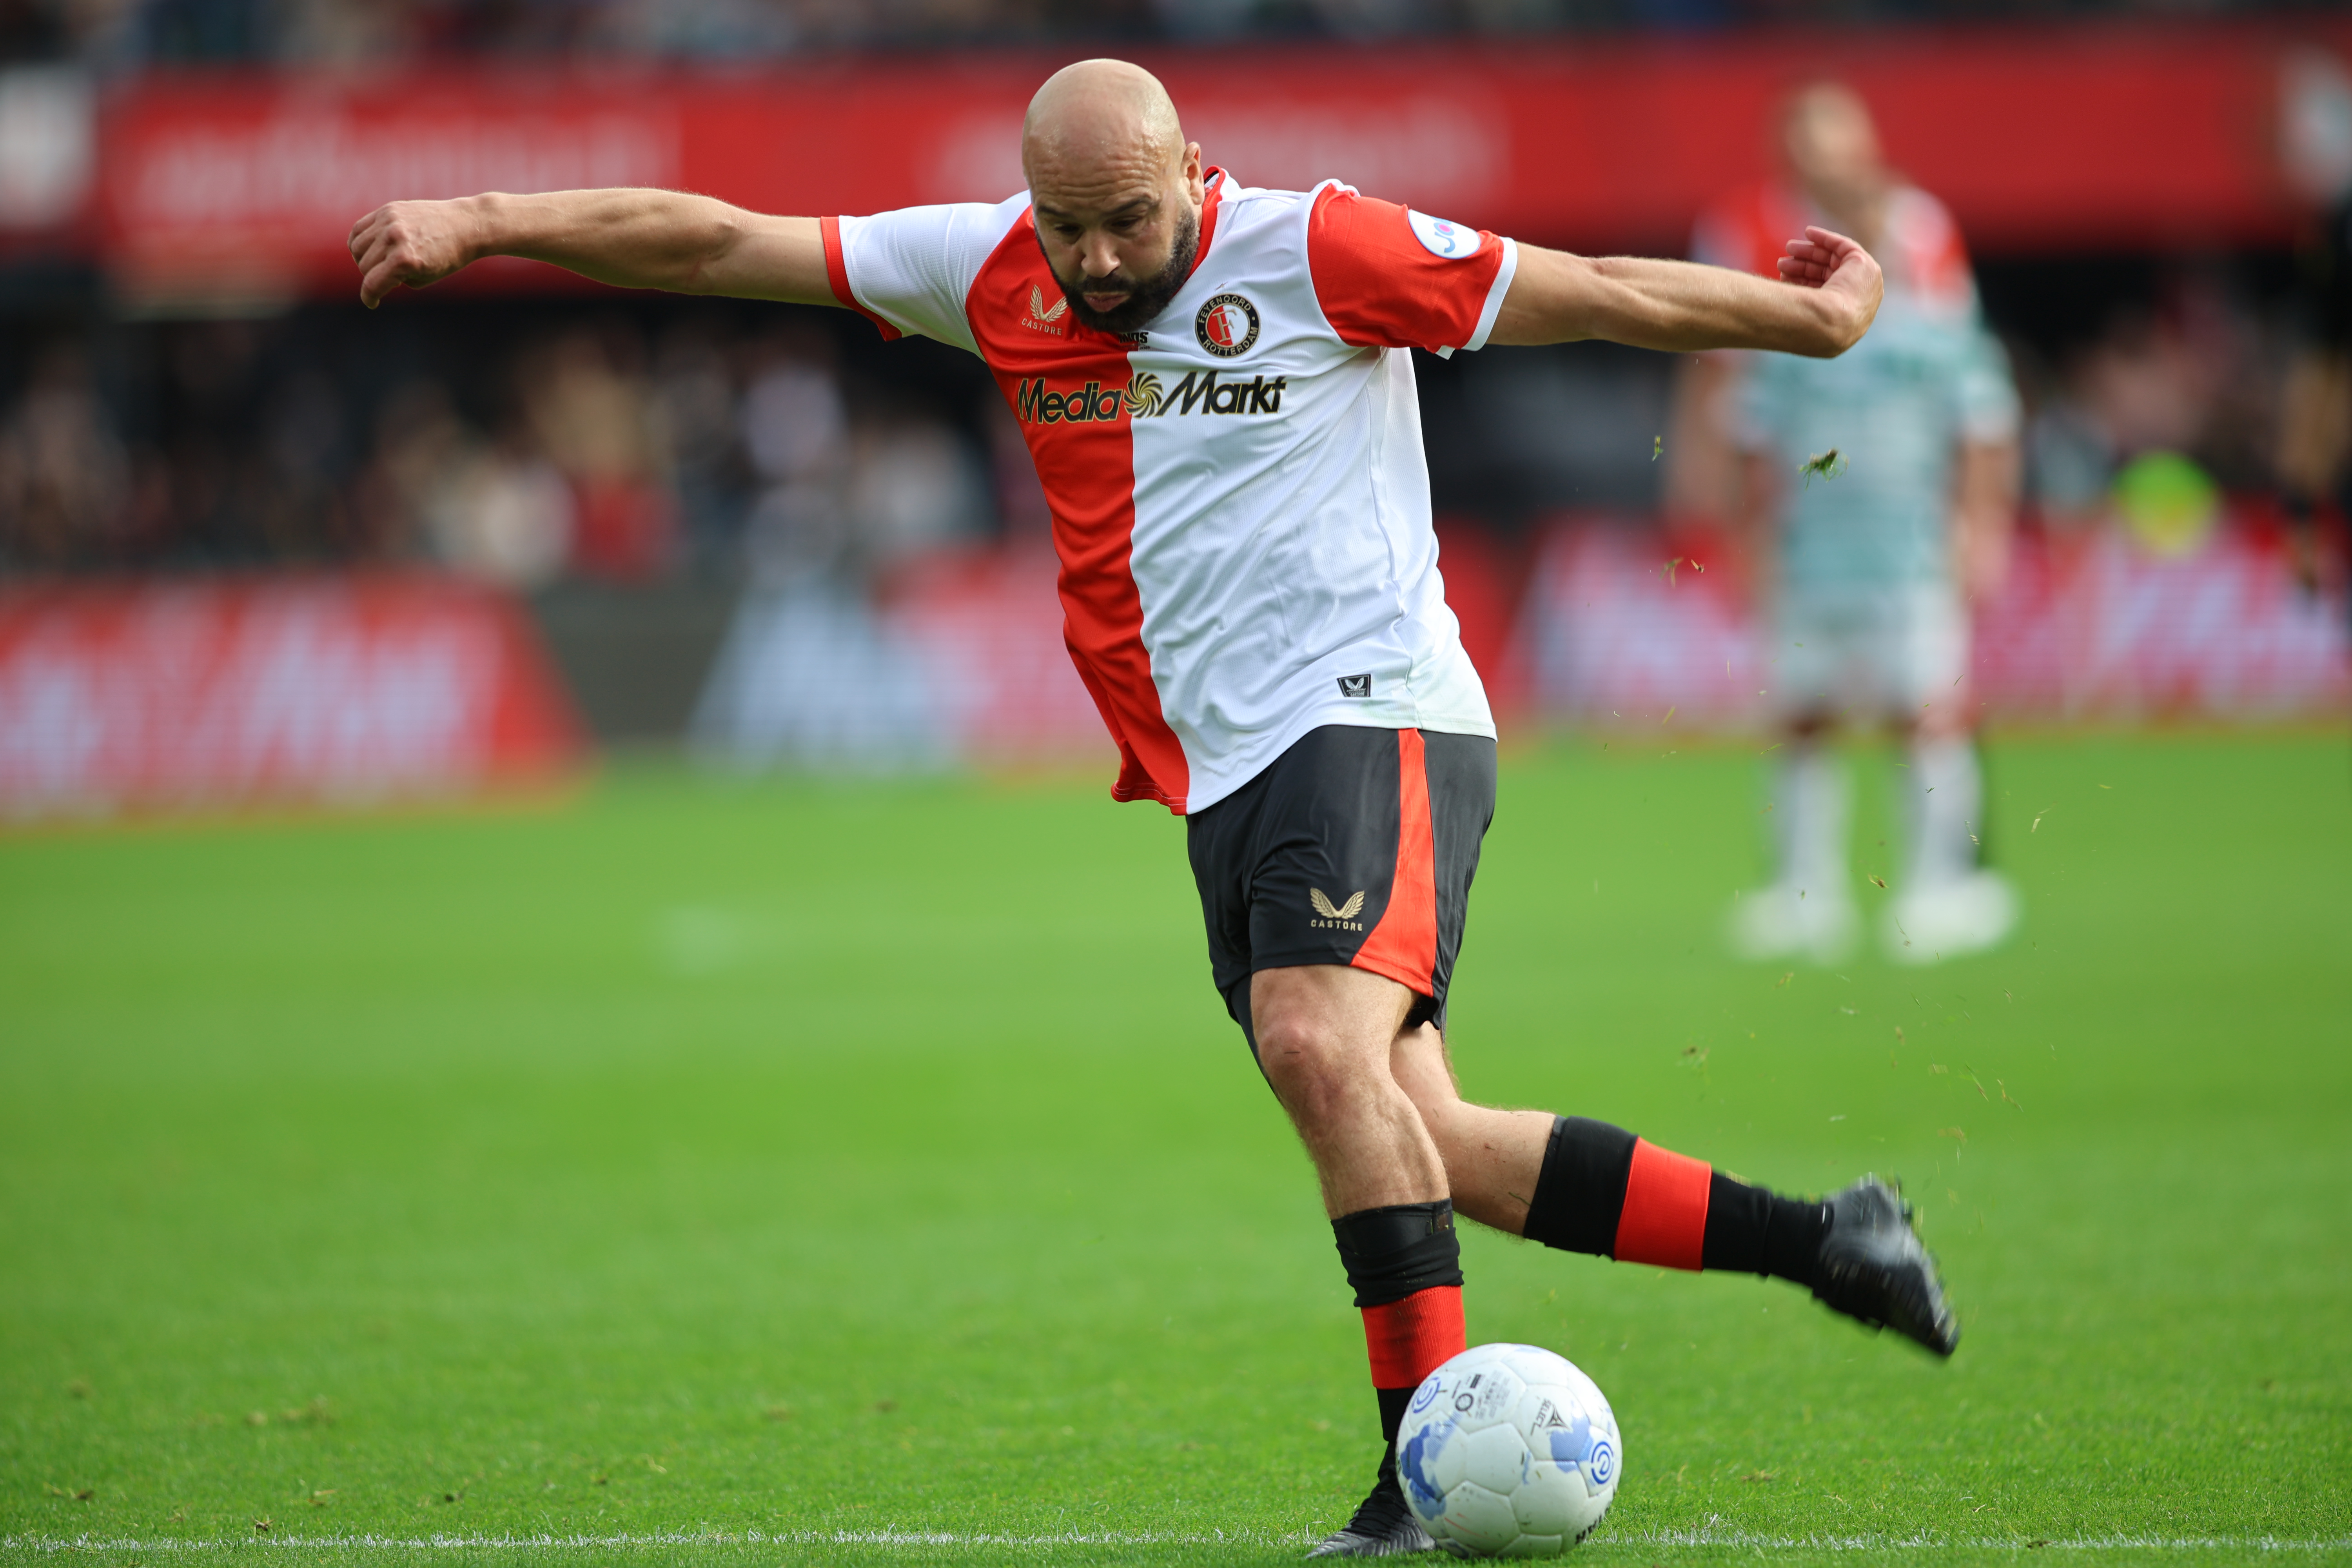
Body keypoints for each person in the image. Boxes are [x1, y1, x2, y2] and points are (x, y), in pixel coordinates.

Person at [348, 60, 1956, 1557]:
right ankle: (1834, 1239)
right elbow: (710, 244)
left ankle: (1414, 1470)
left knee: (1313, 1042)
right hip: (1225, 764)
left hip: (1375, 706)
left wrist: (1805, 323)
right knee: (1432, 1135)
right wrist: (486, 222)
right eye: (1071, 228)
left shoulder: (1321, 248)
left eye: (1133, 218)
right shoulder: (988, 270)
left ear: (1195, 171)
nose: (1103, 259)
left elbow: (1589, 293)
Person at [1693, 83, 2024, 967]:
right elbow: (1745, 431)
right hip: (1810, 553)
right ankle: (1808, 897)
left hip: (1911, 550)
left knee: (1927, 714)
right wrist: (1745, 536)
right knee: (1804, 716)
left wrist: (1980, 525)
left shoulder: (1933, 319)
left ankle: (1937, 887)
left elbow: (1985, 425)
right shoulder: (1789, 326)